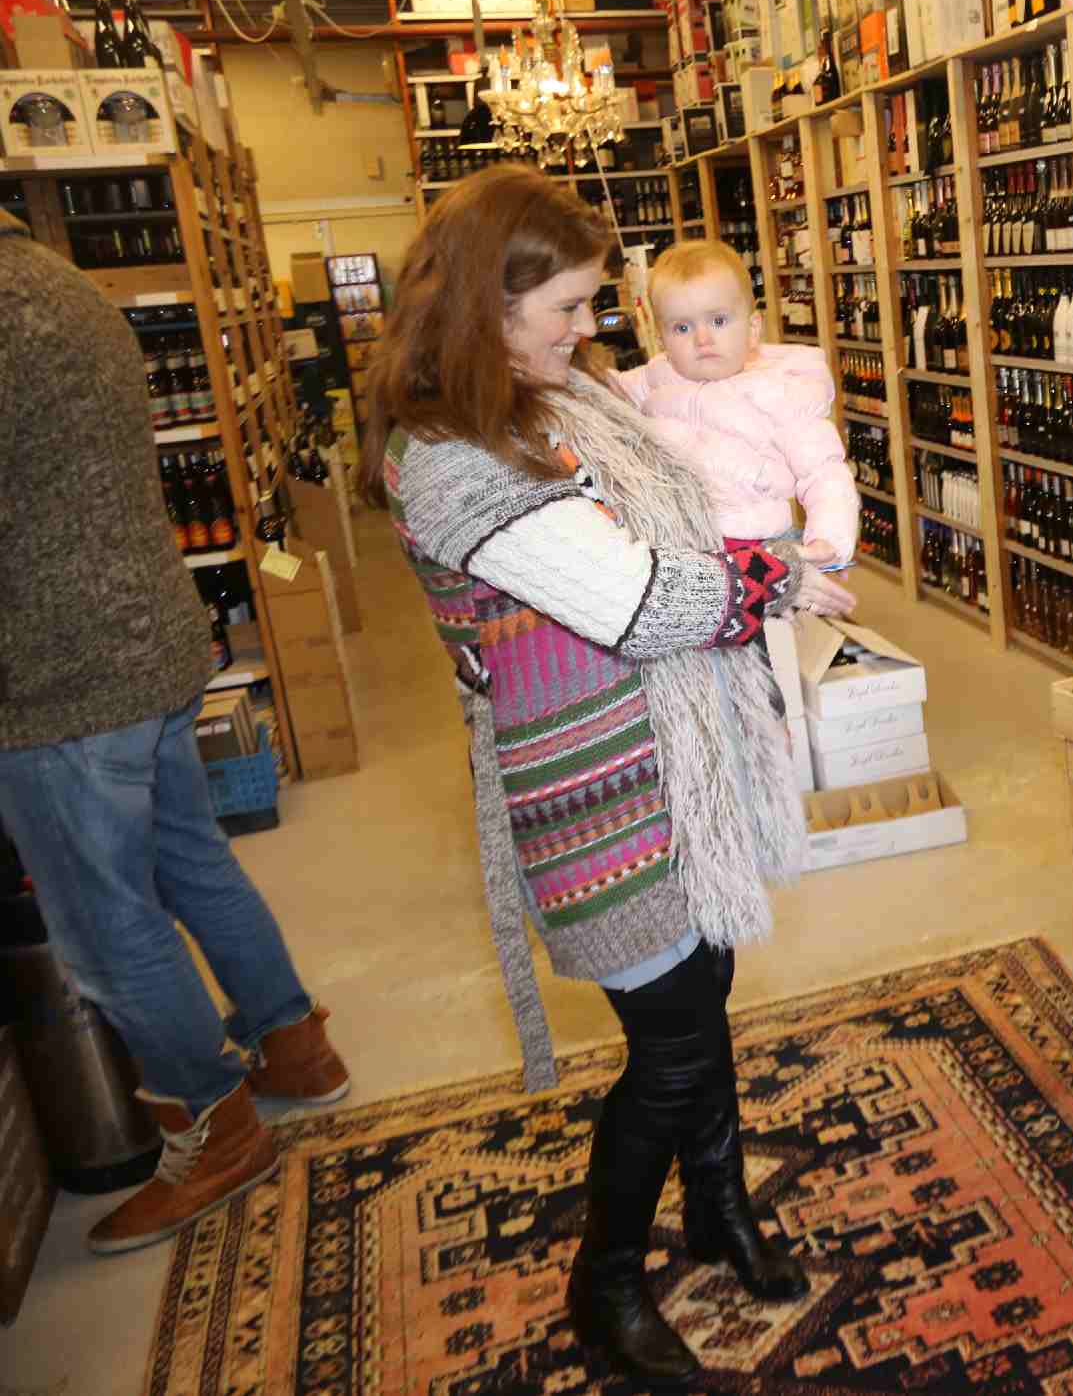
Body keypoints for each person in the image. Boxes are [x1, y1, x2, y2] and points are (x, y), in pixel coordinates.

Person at [361, 165, 857, 1385]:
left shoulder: (548, 395)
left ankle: (720, 1208)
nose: (591, 329)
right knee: (671, 1041)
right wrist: (775, 575)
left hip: (675, 756)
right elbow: (637, 600)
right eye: (569, 306)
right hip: (594, 791)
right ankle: (608, 1280)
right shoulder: (451, 456)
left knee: (704, 986)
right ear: (488, 301)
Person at [0, 212, 350, 1256]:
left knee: (109, 929)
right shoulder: (57, 283)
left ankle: (215, 1126)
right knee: (193, 864)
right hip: (145, 638)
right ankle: (294, 1047)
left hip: (57, 677)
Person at [617, 240, 859, 566]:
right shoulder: (655, 377)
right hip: (673, 546)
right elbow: (597, 393)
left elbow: (824, 471)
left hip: (757, 545)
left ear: (752, 329)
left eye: (718, 321)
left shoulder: (782, 392)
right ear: (662, 340)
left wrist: (827, 540)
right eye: (682, 327)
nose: (702, 339)